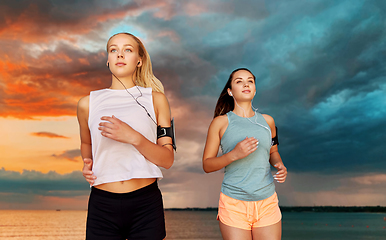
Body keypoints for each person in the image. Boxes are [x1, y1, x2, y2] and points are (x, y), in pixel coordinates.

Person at [77, 32, 175, 240]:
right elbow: (87, 142)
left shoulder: (156, 100)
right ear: (108, 60)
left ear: (139, 60)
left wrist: (133, 137)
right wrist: (87, 164)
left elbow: (167, 159)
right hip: (102, 205)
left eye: (127, 50)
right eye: (114, 50)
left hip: (145, 205)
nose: (120, 54)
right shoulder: (88, 103)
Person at [202, 68, 287, 240]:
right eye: (239, 81)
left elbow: (273, 151)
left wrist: (280, 165)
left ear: (255, 89)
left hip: (267, 202)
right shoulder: (220, 122)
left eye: (250, 81)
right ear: (230, 91)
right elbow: (207, 164)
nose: (246, 84)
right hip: (234, 203)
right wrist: (234, 154)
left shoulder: (268, 121)